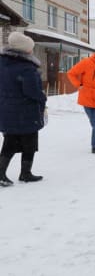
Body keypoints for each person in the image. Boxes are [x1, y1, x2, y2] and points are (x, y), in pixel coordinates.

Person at [0, 32, 46, 186]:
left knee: (10, 141)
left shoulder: (2, 62)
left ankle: (5, 173)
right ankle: (25, 173)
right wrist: (42, 97)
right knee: (29, 141)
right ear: (25, 49)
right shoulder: (26, 67)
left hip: (7, 109)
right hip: (25, 111)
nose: (32, 50)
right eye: (31, 48)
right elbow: (32, 91)